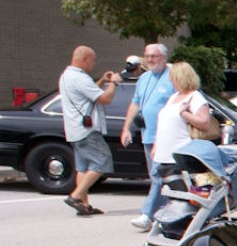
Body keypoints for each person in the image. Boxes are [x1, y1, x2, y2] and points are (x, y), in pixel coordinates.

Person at [58, 46, 120, 216]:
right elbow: (104, 99)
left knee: (83, 168)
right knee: (102, 161)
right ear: (85, 59)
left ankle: (84, 205)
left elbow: (87, 94)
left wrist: (100, 81)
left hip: (74, 129)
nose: (94, 63)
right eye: (93, 60)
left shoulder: (66, 76)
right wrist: (114, 83)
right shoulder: (79, 78)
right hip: (87, 131)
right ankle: (75, 196)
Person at [121, 43, 176, 230]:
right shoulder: (143, 78)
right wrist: (126, 128)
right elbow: (135, 104)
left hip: (166, 137)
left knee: (159, 176)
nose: (150, 60)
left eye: (154, 56)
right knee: (157, 178)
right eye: (147, 56)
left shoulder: (173, 77)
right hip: (148, 136)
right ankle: (165, 216)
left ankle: (147, 215)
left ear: (164, 58)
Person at [149, 62, 214, 200]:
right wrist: (156, 145)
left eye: (174, 78)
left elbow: (204, 122)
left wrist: (185, 114)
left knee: (182, 194)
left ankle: (151, 215)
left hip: (181, 154)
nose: (172, 82)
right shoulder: (174, 97)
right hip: (165, 155)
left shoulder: (195, 97)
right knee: (169, 190)